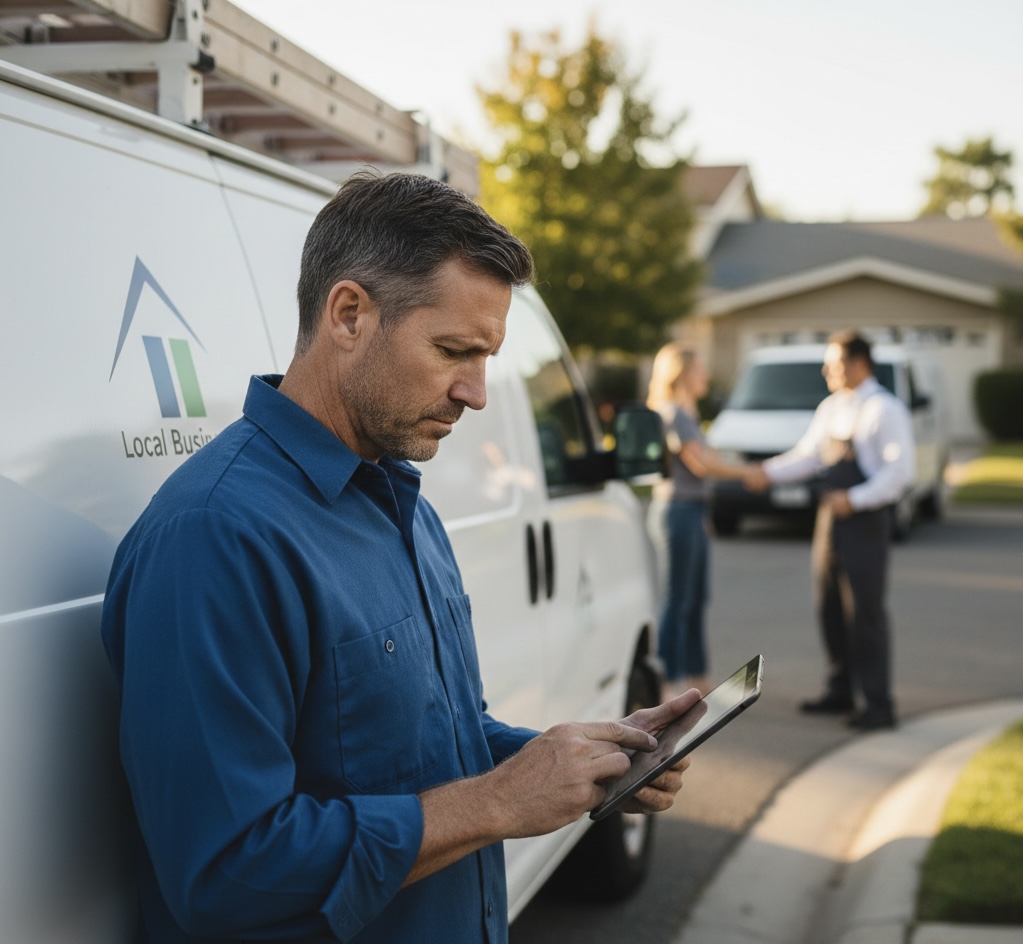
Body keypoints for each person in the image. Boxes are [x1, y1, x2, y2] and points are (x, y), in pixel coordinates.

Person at [101, 171, 700, 944]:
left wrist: (574, 762)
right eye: (454, 350)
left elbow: (431, 745)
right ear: (348, 314)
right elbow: (228, 872)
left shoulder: (398, 500)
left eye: (486, 357)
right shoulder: (216, 538)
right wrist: (495, 803)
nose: (477, 393)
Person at [746, 331, 914, 731]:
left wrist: (855, 499)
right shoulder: (831, 407)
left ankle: (878, 705)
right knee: (830, 608)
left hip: (864, 522)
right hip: (830, 520)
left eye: (833, 364)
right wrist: (765, 473)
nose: (826, 371)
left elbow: (901, 471)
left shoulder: (883, 410)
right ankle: (839, 690)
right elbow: (808, 457)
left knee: (865, 614)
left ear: (859, 364)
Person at [646, 342, 758, 698]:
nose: (706, 375)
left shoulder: (686, 413)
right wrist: (747, 473)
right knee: (678, 600)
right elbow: (700, 465)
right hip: (677, 512)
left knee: (695, 599)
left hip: (691, 512)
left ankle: (697, 677)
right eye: (700, 368)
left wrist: (705, 514)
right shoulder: (673, 413)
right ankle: (668, 680)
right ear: (681, 373)